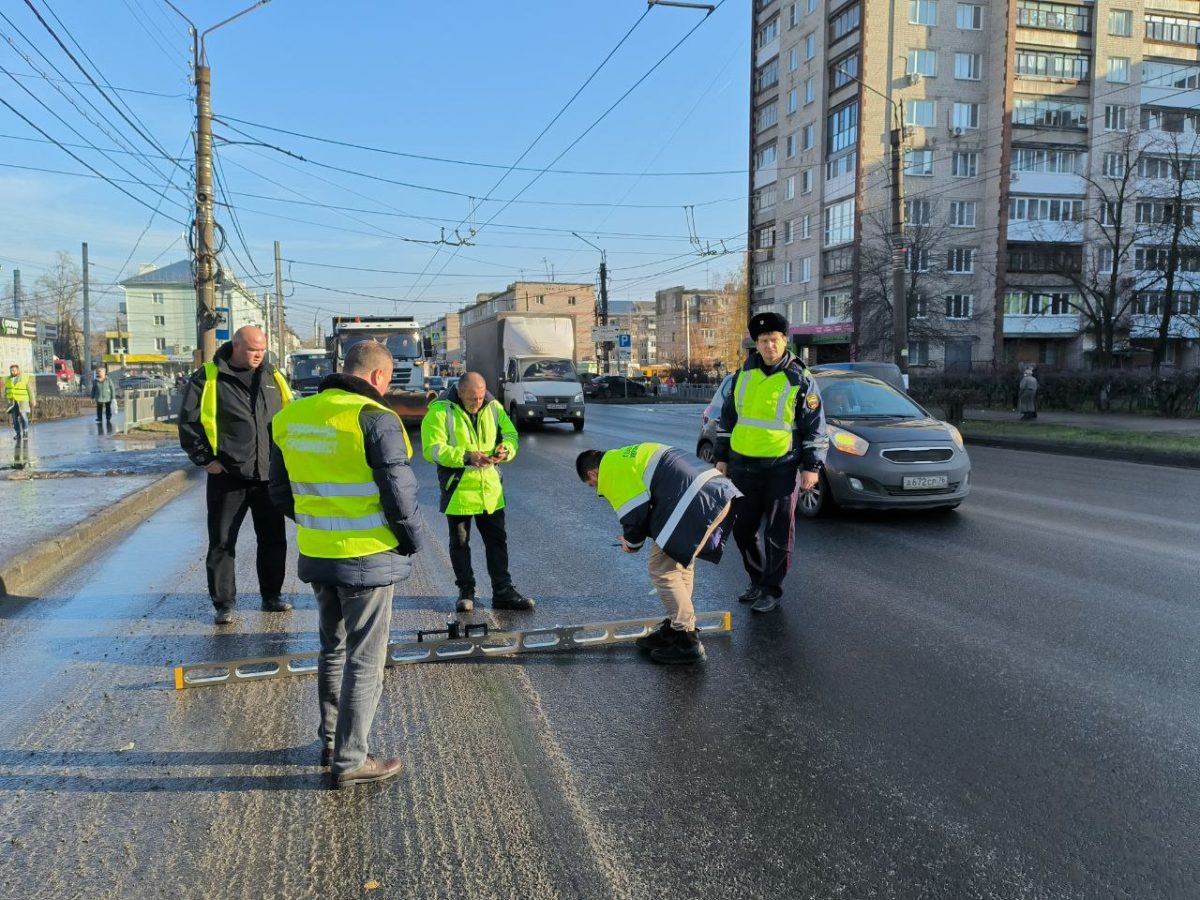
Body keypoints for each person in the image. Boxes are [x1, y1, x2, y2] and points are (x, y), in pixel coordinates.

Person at [269, 340, 422, 789]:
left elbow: (279, 490)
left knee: (332, 649)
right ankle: (352, 759)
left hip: (318, 552)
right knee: (366, 659)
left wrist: (319, 523)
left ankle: (332, 738)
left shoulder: (291, 417)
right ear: (376, 377)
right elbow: (399, 492)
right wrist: (410, 540)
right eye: (389, 378)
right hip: (367, 554)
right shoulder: (376, 418)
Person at [575, 444, 740, 665]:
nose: (596, 489)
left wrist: (631, 545)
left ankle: (687, 640)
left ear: (592, 473)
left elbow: (635, 515)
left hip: (697, 501)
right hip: (716, 492)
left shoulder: (611, 471)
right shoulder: (622, 457)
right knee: (680, 564)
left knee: (661, 569)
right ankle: (678, 626)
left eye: (592, 484)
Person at [178, 326, 294, 625]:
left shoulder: (273, 376)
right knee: (222, 541)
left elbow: (289, 419)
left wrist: (287, 461)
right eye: (254, 349)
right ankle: (224, 604)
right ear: (236, 346)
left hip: (268, 476)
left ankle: (272, 596)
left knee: (273, 539)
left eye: (263, 349)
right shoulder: (209, 376)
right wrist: (206, 461)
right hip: (227, 476)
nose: (259, 354)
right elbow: (189, 422)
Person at [713, 312, 828, 614]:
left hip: (781, 467)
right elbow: (727, 420)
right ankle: (757, 579)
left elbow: (814, 426)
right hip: (743, 467)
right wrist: (721, 458)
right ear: (756, 344)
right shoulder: (743, 375)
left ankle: (771, 588)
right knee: (741, 529)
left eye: (774, 340)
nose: (768, 346)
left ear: (784, 341)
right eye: (763, 341)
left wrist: (811, 467)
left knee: (777, 533)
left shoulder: (799, 378)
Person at [419, 371, 534, 613]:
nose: (477, 403)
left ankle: (503, 591)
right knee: (460, 543)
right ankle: (466, 591)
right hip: (458, 489)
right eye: (472, 398)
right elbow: (432, 450)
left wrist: (506, 450)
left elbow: (511, 434)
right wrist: (466, 457)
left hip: (490, 490)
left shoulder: (493, 406)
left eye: (481, 397)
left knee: (497, 542)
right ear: (459, 392)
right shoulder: (440, 411)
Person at [5, 364, 34, 441]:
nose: (12, 372)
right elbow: (6, 390)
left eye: (14, 370)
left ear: (18, 370)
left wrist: (33, 401)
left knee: (23, 416)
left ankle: (25, 431)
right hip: (13, 402)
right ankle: (18, 433)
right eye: (11, 370)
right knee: (14, 419)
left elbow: (30, 390)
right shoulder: (8, 379)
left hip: (22, 400)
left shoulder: (25, 378)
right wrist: (6, 400)